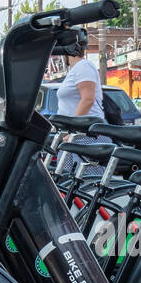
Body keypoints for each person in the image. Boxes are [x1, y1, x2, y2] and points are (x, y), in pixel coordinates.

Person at [53, 32, 109, 177]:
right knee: (66, 184)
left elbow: (88, 99)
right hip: (76, 136)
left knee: (86, 184)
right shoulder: (75, 70)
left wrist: (72, 130)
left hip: (85, 136)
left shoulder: (83, 66)